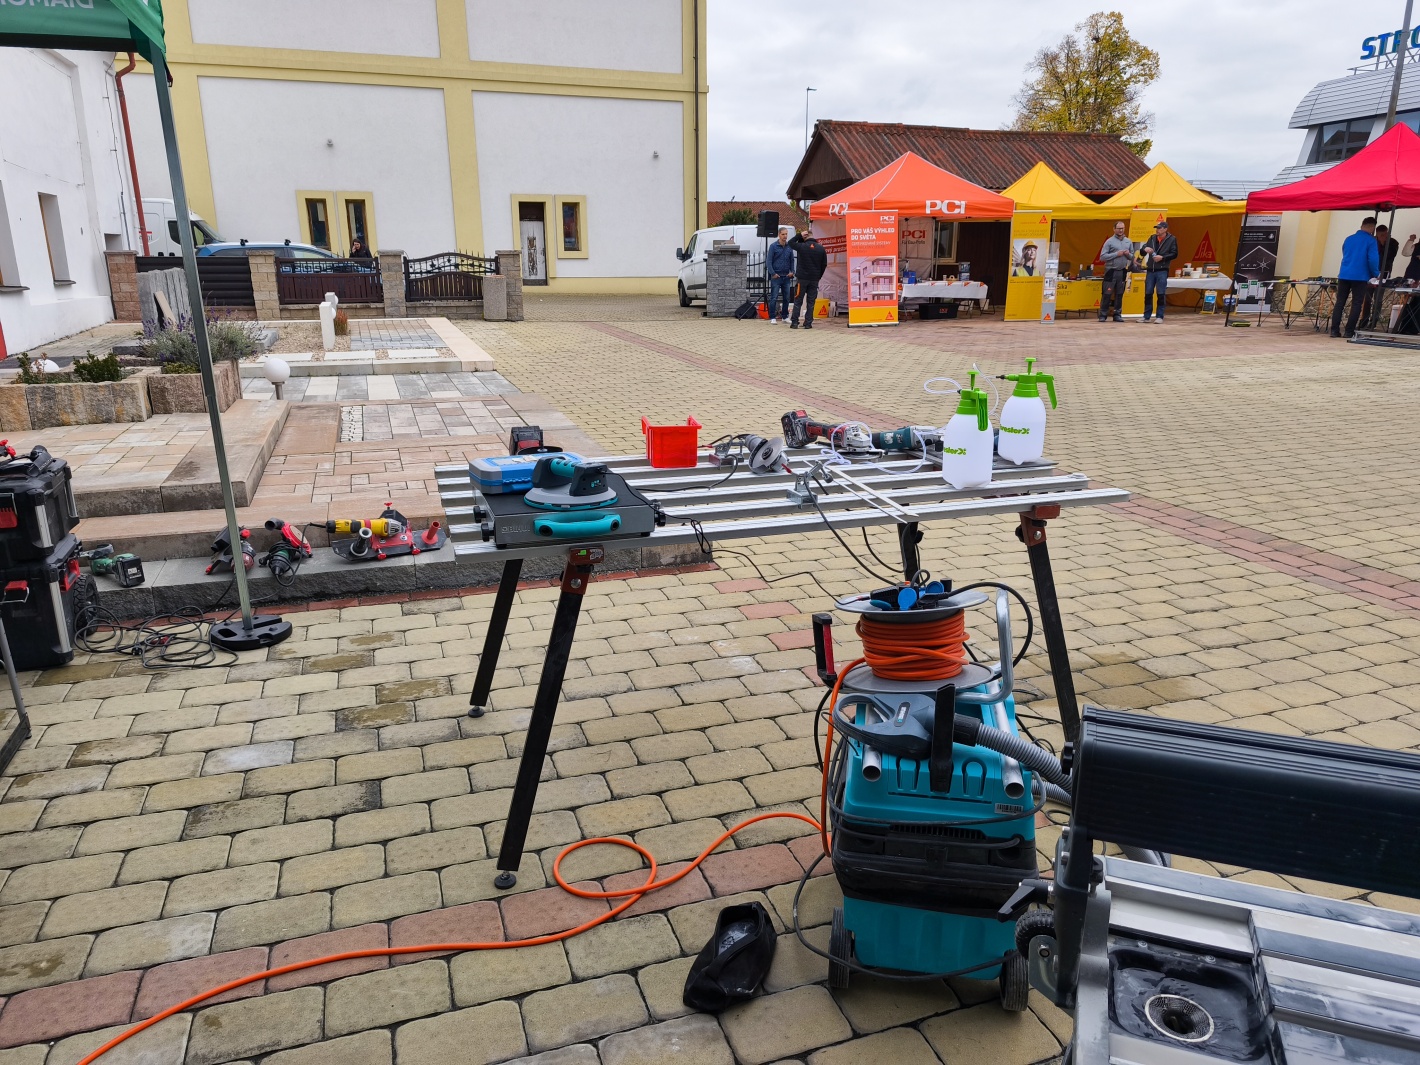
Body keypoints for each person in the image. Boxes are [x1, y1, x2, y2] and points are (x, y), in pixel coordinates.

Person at [1331, 216, 1380, 338]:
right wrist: (1376, 273)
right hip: (1360, 276)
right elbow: (1373, 259)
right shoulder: (1371, 241)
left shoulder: (1349, 239)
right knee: (1356, 303)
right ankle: (1349, 331)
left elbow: (1345, 253)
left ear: (1362, 225)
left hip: (1344, 274)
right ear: (1372, 228)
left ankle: (1334, 330)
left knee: (1340, 302)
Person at [1139, 220, 1177, 322]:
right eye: (1156, 228)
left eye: (1159, 228)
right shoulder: (1152, 238)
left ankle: (1159, 316)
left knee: (1161, 293)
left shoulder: (1172, 239)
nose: (1157, 230)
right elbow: (1142, 252)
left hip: (1162, 270)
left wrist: (1162, 257)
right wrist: (1144, 249)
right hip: (1150, 270)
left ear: (1165, 229)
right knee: (1148, 293)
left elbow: (1174, 254)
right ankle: (1146, 316)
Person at [788, 229, 827, 329]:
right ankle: (808, 323)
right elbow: (824, 264)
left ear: (805, 237)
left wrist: (799, 236)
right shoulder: (821, 248)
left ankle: (795, 322)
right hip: (814, 279)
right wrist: (818, 276)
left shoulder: (802, 246)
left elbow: (790, 243)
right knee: (811, 302)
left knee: (798, 300)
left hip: (802, 279)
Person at [1097, 221, 1132, 322]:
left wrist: (1128, 254)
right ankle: (1103, 314)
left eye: (1122, 228)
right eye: (1119, 228)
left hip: (1122, 271)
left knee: (1119, 294)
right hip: (1111, 271)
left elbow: (1132, 256)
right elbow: (1102, 257)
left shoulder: (1128, 241)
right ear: (1114, 229)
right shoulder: (1109, 242)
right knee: (1107, 293)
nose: (1121, 230)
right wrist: (1116, 254)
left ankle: (1117, 314)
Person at [766, 227, 795, 323]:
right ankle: (772, 317)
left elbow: (792, 260)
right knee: (774, 297)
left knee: (787, 297)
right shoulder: (773, 246)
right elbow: (769, 261)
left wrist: (792, 271)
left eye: (786, 234)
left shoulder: (789, 246)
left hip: (786, 276)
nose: (785, 236)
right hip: (776, 276)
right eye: (783, 234)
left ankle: (785, 316)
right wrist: (773, 273)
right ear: (779, 235)